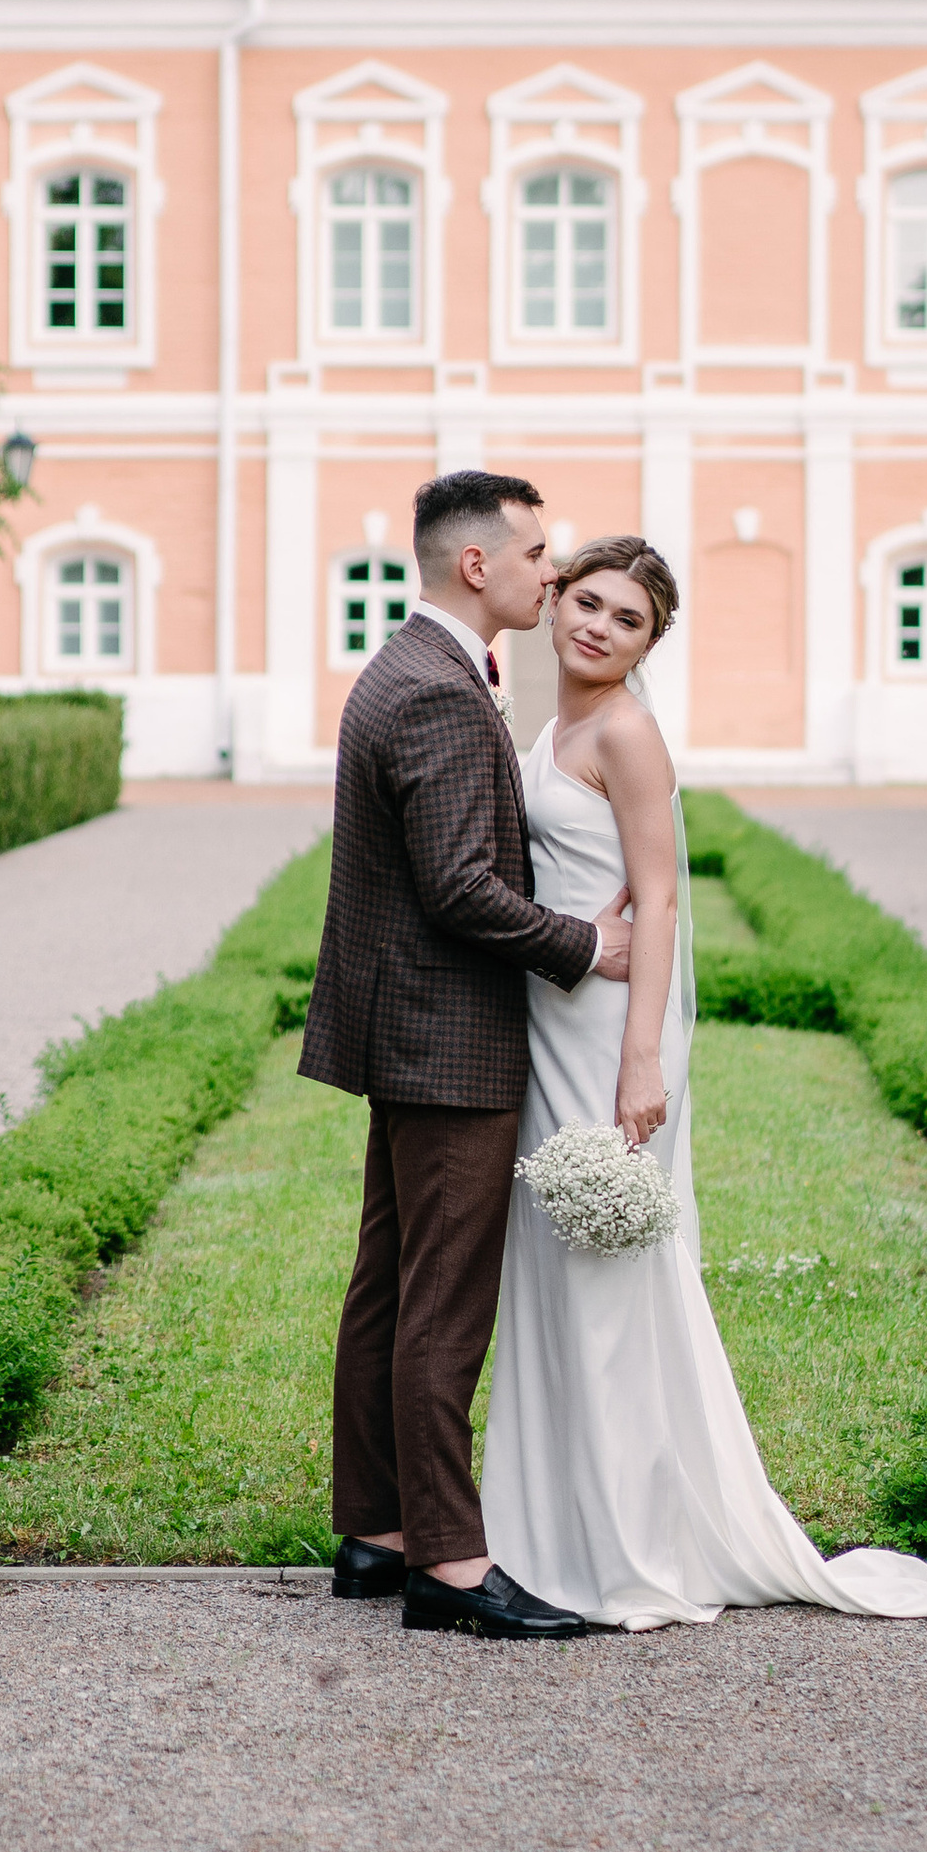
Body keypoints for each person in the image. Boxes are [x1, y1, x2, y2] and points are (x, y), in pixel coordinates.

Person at [478, 534, 927, 1632]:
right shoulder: (555, 723)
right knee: (556, 1279)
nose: (598, 626)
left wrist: (642, 1059)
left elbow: (661, 902)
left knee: (607, 1279)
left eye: (627, 619)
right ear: (554, 606)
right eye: (587, 603)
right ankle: (552, 1529)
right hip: (554, 1019)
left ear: (650, 643)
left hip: (607, 1035)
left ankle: (626, 1546)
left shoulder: (629, 732)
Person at [297, 469, 633, 1641]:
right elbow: (459, 891)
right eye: (540, 553)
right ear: (477, 565)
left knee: (388, 1286)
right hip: (449, 1039)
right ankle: (446, 1565)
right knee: (442, 1303)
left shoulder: (410, 665)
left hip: (404, 1030)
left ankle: (374, 1532)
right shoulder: (438, 691)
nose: (556, 571)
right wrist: (591, 945)